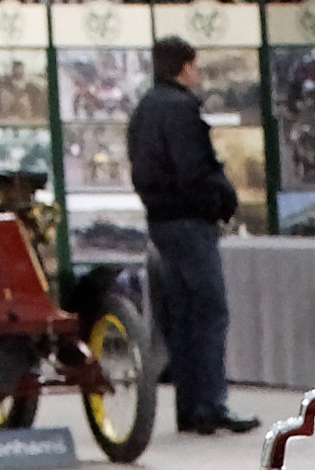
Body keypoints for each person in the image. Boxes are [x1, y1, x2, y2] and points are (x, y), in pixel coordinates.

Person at [128, 35, 247, 435]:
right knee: (211, 311)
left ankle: (189, 405)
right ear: (184, 67)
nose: (197, 74)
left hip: (160, 222)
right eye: (195, 66)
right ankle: (211, 403)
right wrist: (218, 201)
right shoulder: (181, 109)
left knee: (181, 314)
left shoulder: (145, 108)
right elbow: (194, 169)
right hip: (190, 222)